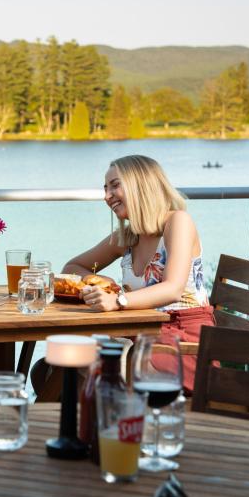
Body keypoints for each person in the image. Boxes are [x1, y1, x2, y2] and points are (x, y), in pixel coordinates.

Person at [62, 154, 213, 391]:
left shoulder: (177, 222)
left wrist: (118, 300)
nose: (107, 196)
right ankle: (92, 424)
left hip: (184, 341)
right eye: (105, 188)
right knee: (56, 365)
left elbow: (172, 289)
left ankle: (106, 423)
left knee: (83, 368)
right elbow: (71, 268)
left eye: (115, 186)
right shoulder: (129, 236)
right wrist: (102, 282)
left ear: (140, 185)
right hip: (142, 334)